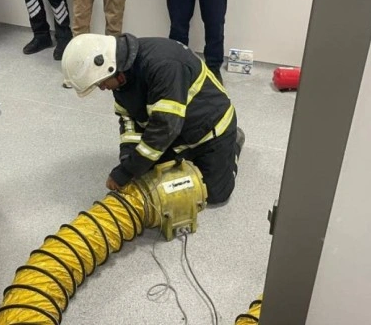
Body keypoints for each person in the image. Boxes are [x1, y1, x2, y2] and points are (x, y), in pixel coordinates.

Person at [61, 33, 245, 205]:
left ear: (108, 67)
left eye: (100, 83)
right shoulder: (121, 77)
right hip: (177, 133)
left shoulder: (164, 65)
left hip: (211, 130)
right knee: (147, 178)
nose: (102, 88)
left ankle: (233, 144)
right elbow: (128, 121)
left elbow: (164, 128)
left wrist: (126, 171)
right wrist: (127, 158)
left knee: (213, 194)